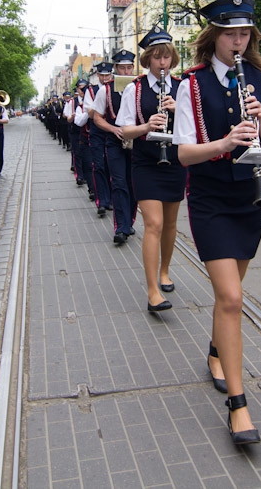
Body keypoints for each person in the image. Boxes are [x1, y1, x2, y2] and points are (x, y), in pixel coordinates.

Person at [174, 0, 261, 446]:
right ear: (214, 36)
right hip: (210, 199)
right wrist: (223, 143)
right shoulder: (191, 84)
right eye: (230, 34)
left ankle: (217, 350)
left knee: (229, 299)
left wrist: (260, 123)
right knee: (233, 298)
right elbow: (183, 153)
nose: (238, 42)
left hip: (249, 198)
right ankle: (239, 407)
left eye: (245, 33)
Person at [118, 26, 188, 313]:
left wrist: (176, 112)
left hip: (175, 161)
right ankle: (152, 291)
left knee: (170, 224)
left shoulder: (182, 87)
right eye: (157, 58)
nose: (163, 63)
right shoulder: (134, 88)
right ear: (148, 60)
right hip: (146, 162)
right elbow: (124, 130)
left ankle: (165, 271)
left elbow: (195, 130)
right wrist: (147, 126)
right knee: (154, 224)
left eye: (167, 57)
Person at [92, 49, 137, 245]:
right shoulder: (106, 89)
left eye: (129, 68)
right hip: (115, 140)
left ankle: (130, 220)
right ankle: (121, 226)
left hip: (136, 141)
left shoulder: (139, 86)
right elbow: (96, 117)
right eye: (122, 68)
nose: (126, 72)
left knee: (133, 182)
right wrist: (112, 129)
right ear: (116, 68)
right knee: (118, 183)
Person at [85, 66, 113, 216]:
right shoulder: (91, 91)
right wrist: (99, 103)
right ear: (97, 75)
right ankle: (101, 200)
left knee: (111, 166)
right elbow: (89, 113)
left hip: (111, 131)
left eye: (107, 75)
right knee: (99, 166)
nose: (105, 78)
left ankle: (110, 199)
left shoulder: (115, 87)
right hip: (96, 132)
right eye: (102, 75)